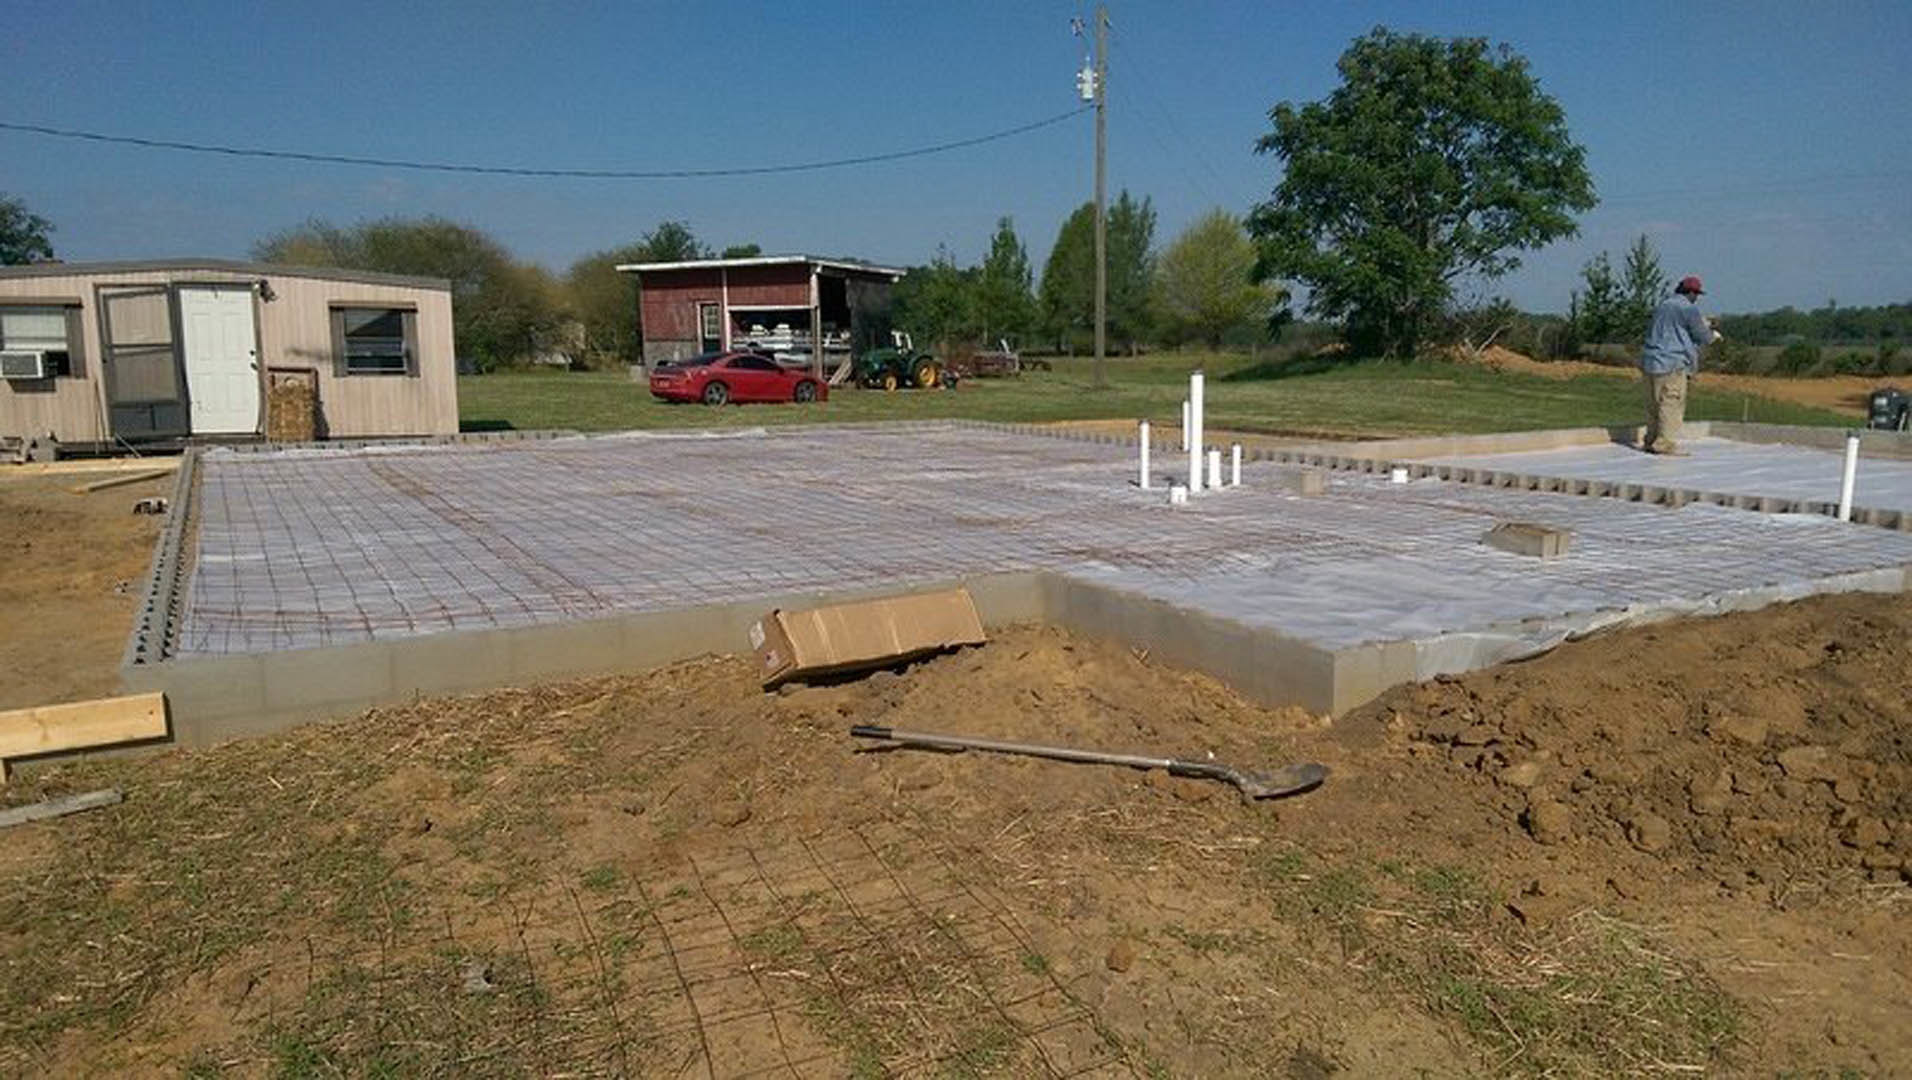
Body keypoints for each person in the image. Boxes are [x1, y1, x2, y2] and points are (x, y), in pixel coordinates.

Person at [1638, 275, 1720, 455]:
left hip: (1650, 361)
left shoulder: (1663, 305)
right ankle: (1664, 444)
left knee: (1653, 404)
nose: (1696, 298)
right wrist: (1712, 334)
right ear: (1690, 292)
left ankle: (1650, 440)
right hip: (1672, 362)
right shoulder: (1688, 309)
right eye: (1696, 294)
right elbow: (1702, 336)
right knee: (1670, 403)